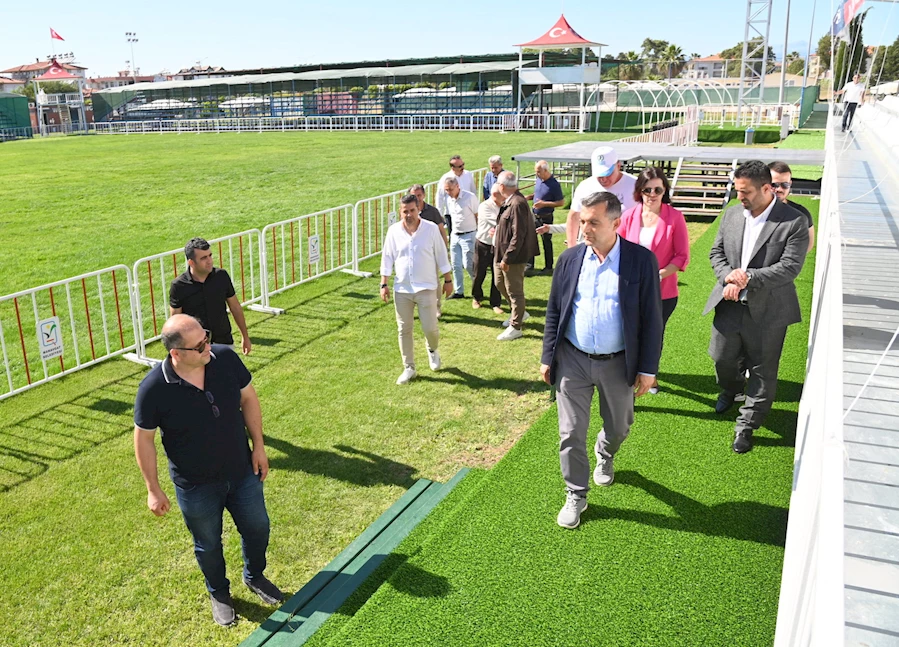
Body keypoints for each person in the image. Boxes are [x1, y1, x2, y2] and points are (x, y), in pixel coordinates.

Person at [133, 314, 281, 626]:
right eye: (199, 345)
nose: (208, 347)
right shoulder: (154, 387)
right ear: (176, 353)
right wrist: (152, 489)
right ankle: (219, 593)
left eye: (207, 338)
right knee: (208, 544)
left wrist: (258, 446)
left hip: (242, 470)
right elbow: (143, 439)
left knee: (258, 527)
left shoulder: (225, 359)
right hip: (195, 484)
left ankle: (254, 575)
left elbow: (248, 398)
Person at [541, 191, 662, 529]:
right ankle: (576, 493)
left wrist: (648, 369)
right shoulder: (570, 259)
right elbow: (554, 310)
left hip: (618, 363)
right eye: (582, 221)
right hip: (572, 359)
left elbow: (652, 320)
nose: (585, 229)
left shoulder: (641, 261)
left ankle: (605, 452)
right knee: (570, 432)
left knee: (620, 426)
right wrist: (547, 356)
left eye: (593, 222)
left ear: (616, 222)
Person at [703, 160, 808, 454]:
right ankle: (731, 389)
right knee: (722, 358)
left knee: (762, 371)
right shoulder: (732, 214)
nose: (740, 197)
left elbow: (789, 268)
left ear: (766, 189)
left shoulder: (794, 221)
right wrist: (729, 276)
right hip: (728, 303)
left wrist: (746, 278)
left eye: (745, 191)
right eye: (737, 190)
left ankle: (746, 426)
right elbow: (716, 252)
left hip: (769, 311)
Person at [617, 166, 690, 393]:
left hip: (663, 292)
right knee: (631, 333)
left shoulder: (675, 218)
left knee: (652, 334)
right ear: (639, 191)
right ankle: (631, 375)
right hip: (631, 289)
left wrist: (658, 275)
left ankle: (650, 373)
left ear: (664, 190)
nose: (652, 194)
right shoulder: (628, 216)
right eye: (647, 189)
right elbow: (617, 249)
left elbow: (682, 256)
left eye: (657, 189)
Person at [380, 194, 453, 385]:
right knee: (404, 329)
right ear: (400, 212)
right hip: (402, 289)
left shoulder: (431, 229)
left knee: (430, 328)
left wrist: (448, 280)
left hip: (427, 287)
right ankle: (409, 367)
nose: (409, 214)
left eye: (412, 210)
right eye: (405, 211)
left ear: (418, 209)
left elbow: (441, 255)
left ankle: (432, 349)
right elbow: (387, 257)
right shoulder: (394, 231)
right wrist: (384, 283)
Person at [170, 237, 252, 355]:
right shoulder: (178, 286)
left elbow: (235, 307)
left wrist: (245, 336)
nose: (209, 261)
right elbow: (176, 321)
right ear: (191, 262)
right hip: (196, 348)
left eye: (210, 256)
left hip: (224, 341)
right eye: (203, 258)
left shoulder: (221, 276)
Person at [494, 171, 539, 341]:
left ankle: (516, 326)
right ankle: (519, 312)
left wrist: (508, 257)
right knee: (499, 283)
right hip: (501, 253)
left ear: (502, 186)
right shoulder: (510, 201)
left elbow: (518, 234)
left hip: (513, 256)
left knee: (515, 291)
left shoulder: (517, 203)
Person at [566, 146, 638, 248]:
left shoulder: (635, 185)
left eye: (608, 174)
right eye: (599, 175)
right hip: (593, 246)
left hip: (627, 246)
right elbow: (574, 216)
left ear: (618, 166)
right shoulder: (585, 186)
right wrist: (571, 247)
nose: (603, 179)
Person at [525, 160, 565, 275]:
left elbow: (561, 202)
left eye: (538, 172)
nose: (537, 174)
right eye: (536, 172)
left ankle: (548, 267)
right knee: (530, 239)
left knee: (546, 242)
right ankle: (529, 266)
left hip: (546, 217)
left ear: (546, 170)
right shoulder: (539, 180)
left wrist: (544, 204)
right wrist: (530, 197)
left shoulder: (554, 184)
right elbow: (539, 193)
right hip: (534, 216)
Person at [442, 175, 479, 299]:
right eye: (446, 190)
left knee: (468, 264)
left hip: (469, 234)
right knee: (455, 265)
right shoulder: (449, 199)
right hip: (455, 235)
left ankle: (477, 289)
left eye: (450, 189)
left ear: (458, 186)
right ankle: (459, 291)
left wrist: (478, 233)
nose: (448, 192)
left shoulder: (470, 197)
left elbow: (477, 215)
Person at [767, 161, 814, 254]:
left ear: (790, 184)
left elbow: (808, 244)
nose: (779, 189)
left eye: (785, 185)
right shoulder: (753, 210)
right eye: (774, 185)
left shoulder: (801, 213)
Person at [473, 183, 504, 313]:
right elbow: (499, 221)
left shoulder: (505, 205)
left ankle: (496, 303)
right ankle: (476, 297)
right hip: (483, 244)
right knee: (479, 273)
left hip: (498, 245)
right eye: (502, 194)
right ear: (495, 195)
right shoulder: (484, 206)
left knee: (497, 275)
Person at [435, 155, 476, 234]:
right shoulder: (445, 178)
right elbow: (440, 197)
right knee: (453, 235)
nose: (463, 167)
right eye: (460, 166)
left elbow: (473, 191)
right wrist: (440, 214)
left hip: (467, 212)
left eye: (463, 164)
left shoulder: (468, 174)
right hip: (451, 213)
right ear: (453, 168)